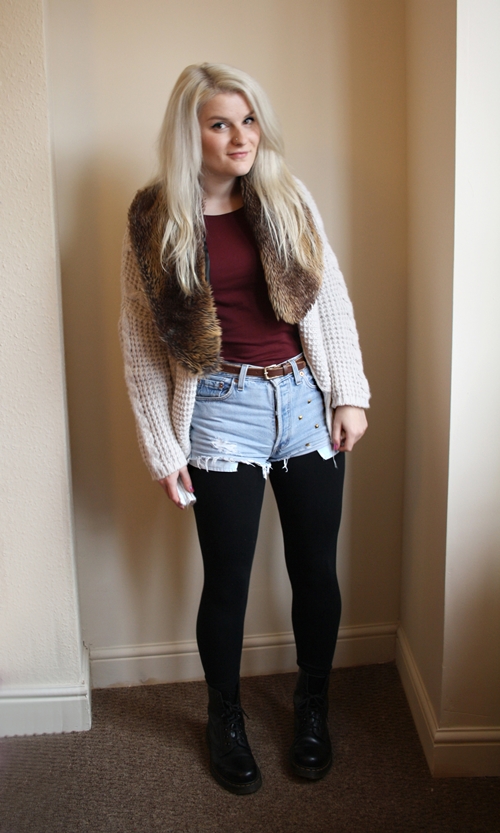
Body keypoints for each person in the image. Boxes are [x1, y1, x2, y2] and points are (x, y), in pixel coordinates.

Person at [120, 62, 370, 795]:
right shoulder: (154, 218)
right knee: (226, 578)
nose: (241, 137)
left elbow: (331, 300)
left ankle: (312, 706)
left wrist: (348, 394)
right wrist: (162, 445)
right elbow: (140, 339)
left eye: (249, 119)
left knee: (315, 569)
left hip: (305, 402)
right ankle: (224, 716)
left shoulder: (287, 196)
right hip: (219, 411)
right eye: (220, 124)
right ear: (189, 134)